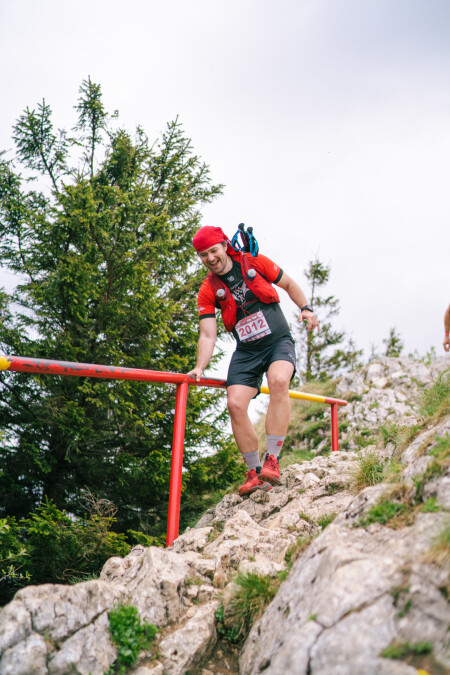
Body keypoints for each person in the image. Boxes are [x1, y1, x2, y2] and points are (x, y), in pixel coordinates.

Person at [187, 225, 320, 496]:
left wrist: (305, 309)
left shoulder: (254, 262)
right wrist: (200, 366)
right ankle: (254, 472)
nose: (210, 258)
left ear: (224, 245)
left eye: (213, 250)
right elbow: (208, 334)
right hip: (247, 351)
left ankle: (273, 460)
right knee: (235, 404)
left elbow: (289, 284)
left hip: (277, 342)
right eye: (203, 255)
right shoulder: (207, 290)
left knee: (280, 381)